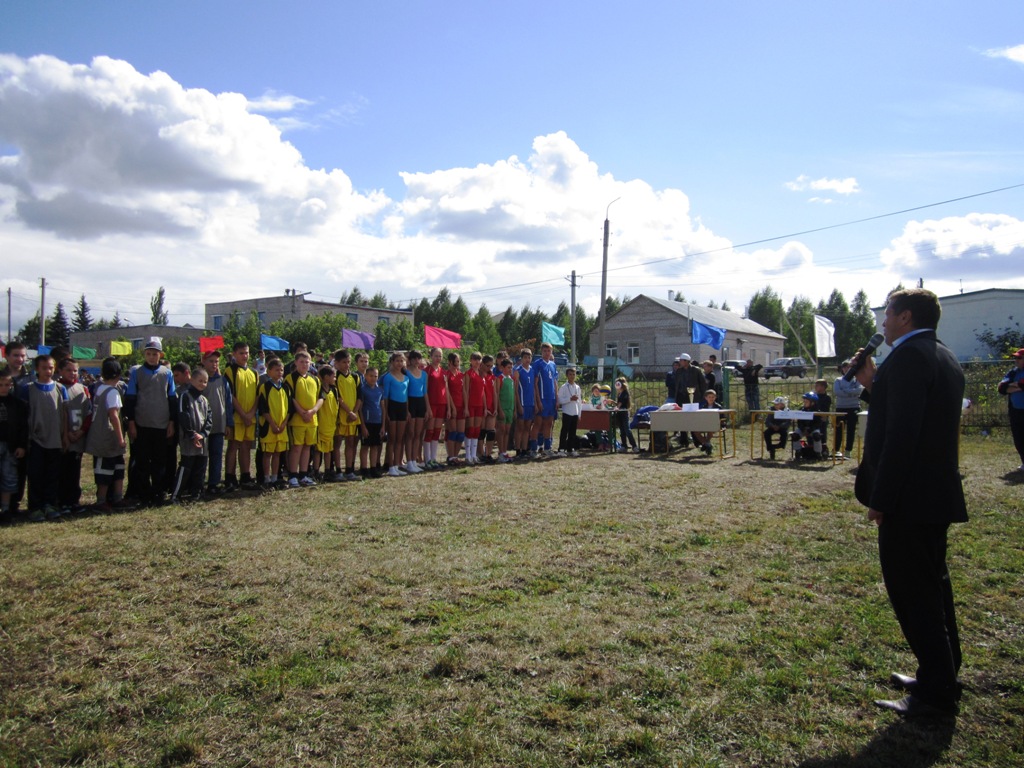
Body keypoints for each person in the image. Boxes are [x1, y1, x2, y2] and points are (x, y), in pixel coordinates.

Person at [853, 288, 967, 719]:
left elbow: (902, 436)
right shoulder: (941, 355)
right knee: (933, 587)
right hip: (933, 493)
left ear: (904, 317)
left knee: (914, 594)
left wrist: (882, 499)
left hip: (909, 499)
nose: (882, 322)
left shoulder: (908, 357)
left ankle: (936, 694)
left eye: (887, 313)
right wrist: (872, 385)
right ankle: (942, 671)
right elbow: (908, 413)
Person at [124, 337, 176, 506]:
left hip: (161, 424)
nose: (152, 357)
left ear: (160, 355)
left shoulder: (167, 373)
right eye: (149, 353)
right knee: (142, 461)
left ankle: (158, 492)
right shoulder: (136, 373)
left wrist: (171, 422)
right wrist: (131, 422)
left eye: (155, 354)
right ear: (144, 354)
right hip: (142, 424)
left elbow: (172, 399)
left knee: (160, 461)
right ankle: (143, 493)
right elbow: (130, 399)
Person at [20, 354, 68, 521]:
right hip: (36, 440)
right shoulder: (28, 389)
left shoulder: (60, 389)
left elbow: (64, 414)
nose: (48, 371)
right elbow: (24, 416)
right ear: (37, 369)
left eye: (50, 367)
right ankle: (35, 507)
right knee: (36, 475)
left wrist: (65, 436)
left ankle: (50, 504)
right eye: (44, 368)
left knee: (52, 474)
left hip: (55, 439)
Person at [84, 358, 129, 512]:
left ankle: (116, 497)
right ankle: (102, 500)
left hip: (103, 433)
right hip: (107, 435)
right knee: (105, 468)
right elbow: (113, 415)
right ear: (118, 374)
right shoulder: (112, 392)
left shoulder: (100, 388)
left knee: (117, 466)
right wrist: (121, 438)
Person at [172, 368, 212, 503]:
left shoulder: (205, 400)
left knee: (200, 467)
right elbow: (183, 415)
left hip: (202, 440)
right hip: (189, 439)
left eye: (205, 382)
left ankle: (197, 493)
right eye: (200, 381)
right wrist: (191, 434)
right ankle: (176, 494)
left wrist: (202, 434)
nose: (202, 384)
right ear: (192, 380)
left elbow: (209, 420)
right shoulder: (185, 396)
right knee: (186, 466)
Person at [57, 357, 91, 514]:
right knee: (61, 470)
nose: (72, 373)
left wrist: (81, 431)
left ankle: (73, 501)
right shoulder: (56, 388)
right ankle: (61, 501)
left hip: (78, 437)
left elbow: (89, 413)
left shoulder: (82, 389)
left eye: (75, 370)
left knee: (74, 471)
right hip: (62, 438)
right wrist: (66, 433)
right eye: (68, 370)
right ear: (60, 371)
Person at [285, 350, 323, 487]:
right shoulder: (290, 378)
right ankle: (292, 475)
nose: (304, 364)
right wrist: (301, 412)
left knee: (307, 447)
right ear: (296, 363)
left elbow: (321, 397)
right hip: (297, 420)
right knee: (296, 447)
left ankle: (304, 474)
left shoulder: (315, 379)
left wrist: (313, 411)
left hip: (312, 420)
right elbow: (291, 397)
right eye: (301, 362)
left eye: (307, 362)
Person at [224, 342, 258, 491]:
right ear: (235, 354)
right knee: (233, 446)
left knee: (246, 446)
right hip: (236, 417)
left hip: (250, 418)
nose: (245, 356)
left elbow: (257, 396)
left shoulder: (254, 372)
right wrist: (242, 414)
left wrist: (250, 414)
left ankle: (245, 476)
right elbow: (230, 394)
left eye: (247, 353)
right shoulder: (230, 371)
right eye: (241, 353)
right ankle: (230, 477)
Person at [200, 349, 232, 495]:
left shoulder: (223, 380)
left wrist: (229, 423)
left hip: (219, 424)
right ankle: (198, 483)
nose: (214, 364)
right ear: (204, 362)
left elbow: (228, 402)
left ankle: (214, 483)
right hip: (201, 426)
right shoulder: (199, 380)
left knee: (216, 455)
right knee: (201, 456)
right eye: (211, 361)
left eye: (216, 362)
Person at [382, 352, 417, 476]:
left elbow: (406, 396)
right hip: (392, 407)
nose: (399, 363)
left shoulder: (406, 378)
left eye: (401, 361)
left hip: (403, 408)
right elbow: (385, 397)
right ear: (392, 362)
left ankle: (397, 465)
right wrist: (385, 413)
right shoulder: (388, 377)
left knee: (400, 439)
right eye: (397, 361)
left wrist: (407, 411)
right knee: (392, 438)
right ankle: (390, 466)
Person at [257, 357, 290, 491]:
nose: (280, 372)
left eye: (281, 370)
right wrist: (272, 424)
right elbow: (263, 409)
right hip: (269, 427)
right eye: (276, 370)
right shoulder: (265, 387)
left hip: (282, 427)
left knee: (278, 453)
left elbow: (289, 409)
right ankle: (266, 479)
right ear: (269, 371)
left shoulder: (286, 387)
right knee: (267, 453)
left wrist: (283, 424)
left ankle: (275, 477)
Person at [0, 365, 28, 522]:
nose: (4, 388)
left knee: (9, 477)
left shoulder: (19, 404)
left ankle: (6, 508)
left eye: (7, 385)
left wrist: (21, 445)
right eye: (1, 384)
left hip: (11, 446)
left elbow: (23, 427)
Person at [332, 349, 363, 481]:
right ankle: (338, 470)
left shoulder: (355, 377)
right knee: (337, 443)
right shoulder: (335, 377)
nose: (347, 364)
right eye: (344, 362)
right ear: (337, 363)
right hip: (341, 416)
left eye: (349, 362)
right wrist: (348, 412)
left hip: (353, 417)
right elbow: (338, 397)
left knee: (351, 442)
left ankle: (349, 470)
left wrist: (354, 412)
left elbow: (360, 397)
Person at [997, 347, 1024, 471]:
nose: (1016, 360)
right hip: (1015, 410)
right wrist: (1018, 386)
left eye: (1019, 358)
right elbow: (1002, 388)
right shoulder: (1013, 372)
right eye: (1015, 358)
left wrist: (1016, 385)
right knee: (1018, 438)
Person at [673, 353, 706, 448]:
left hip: (693, 398)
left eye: (681, 360)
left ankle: (697, 440)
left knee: (692, 419)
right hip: (681, 397)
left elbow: (703, 384)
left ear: (686, 361)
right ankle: (683, 440)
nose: (679, 362)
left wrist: (700, 397)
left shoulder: (696, 370)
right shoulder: (679, 371)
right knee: (682, 418)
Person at [316, 365, 343, 481]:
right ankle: (316, 471)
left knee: (328, 449)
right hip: (321, 425)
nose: (335, 379)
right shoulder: (319, 390)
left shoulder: (334, 390)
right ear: (326, 377)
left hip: (331, 425)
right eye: (334, 376)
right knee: (318, 450)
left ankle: (327, 471)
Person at [532, 342, 559, 456]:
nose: (547, 353)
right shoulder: (537, 364)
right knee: (538, 424)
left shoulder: (552, 365)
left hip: (551, 399)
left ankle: (547, 448)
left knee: (549, 423)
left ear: (551, 352)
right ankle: (533, 449)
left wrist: (557, 399)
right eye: (545, 351)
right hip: (542, 399)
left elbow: (555, 382)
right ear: (541, 352)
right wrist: (538, 401)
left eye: (549, 351)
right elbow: (535, 384)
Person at [833, 360, 863, 459]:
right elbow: (837, 392)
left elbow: (859, 390)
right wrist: (851, 392)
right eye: (844, 367)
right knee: (839, 429)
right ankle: (836, 450)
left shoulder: (856, 379)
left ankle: (848, 451)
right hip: (841, 407)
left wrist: (845, 391)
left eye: (848, 367)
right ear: (842, 369)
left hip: (854, 407)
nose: (846, 369)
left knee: (851, 429)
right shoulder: (838, 380)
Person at [405, 350, 429, 470]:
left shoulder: (424, 374)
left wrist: (428, 408)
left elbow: (425, 392)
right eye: (414, 358)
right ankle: (409, 461)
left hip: (421, 403)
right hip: (410, 402)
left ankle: (415, 460)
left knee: (418, 434)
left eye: (418, 358)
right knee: (410, 433)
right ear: (410, 359)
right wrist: (407, 410)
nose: (416, 361)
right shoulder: (406, 372)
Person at [359, 366, 384, 479]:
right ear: (365, 376)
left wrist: (383, 425)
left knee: (375, 445)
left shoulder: (380, 390)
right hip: (367, 421)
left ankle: (373, 467)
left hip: (377, 421)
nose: (373, 378)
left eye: (376, 376)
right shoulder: (363, 389)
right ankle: (364, 468)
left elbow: (382, 407)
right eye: (371, 376)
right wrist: (363, 426)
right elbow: (360, 408)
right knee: (365, 446)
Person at [463, 351, 486, 465]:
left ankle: (474, 455)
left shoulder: (481, 374)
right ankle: (468, 456)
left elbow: (483, 393)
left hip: (479, 405)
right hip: (471, 405)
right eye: (475, 359)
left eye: (479, 359)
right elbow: (466, 390)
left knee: (477, 430)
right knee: (470, 429)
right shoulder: (468, 373)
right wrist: (466, 407)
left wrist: (485, 407)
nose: (477, 361)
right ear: (471, 361)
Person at [513, 349, 537, 458]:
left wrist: (535, 403)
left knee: (528, 428)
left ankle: (524, 449)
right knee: (520, 428)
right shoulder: (518, 371)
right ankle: (517, 449)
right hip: (522, 403)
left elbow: (534, 388)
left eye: (529, 357)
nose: (527, 360)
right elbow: (516, 389)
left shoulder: (532, 370)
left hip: (530, 403)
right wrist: (518, 405)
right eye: (525, 357)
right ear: (521, 359)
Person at [557, 366, 583, 456]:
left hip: (575, 412)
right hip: (567, 412)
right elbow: (560, 400)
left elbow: (579, 402)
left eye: (573, 374)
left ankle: (570, 448)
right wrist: (570, 399)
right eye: (570, 374)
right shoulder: (564, 387)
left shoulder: (577, 387)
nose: (572, 376)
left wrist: (579, 414)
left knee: (573, 432)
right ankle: (561, 449)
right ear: (567, 375)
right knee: (565, 431)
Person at [789, 392, 824, 459]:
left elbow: (818, 423)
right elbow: (799, 422)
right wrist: (803, 429)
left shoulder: (817, 411)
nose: (804, 402)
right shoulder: (801, 410)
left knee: (816, 436)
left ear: (813, 402)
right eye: (804, 400)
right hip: (803, 428)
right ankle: (798, 451)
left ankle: (818, 453)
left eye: (806, 401)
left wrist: (810, 430)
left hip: (813, 429)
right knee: (795, 435)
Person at [495, 358, 516, 463]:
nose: (510, 369)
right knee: (501, 430)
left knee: (507, 431)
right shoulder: (499, 379)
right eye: (508, 367)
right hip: (503, 409)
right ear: (502, 368)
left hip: (510, 409)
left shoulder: (511, 380)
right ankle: (500, 452)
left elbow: (513, 395)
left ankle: (504, 451)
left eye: (511, 368)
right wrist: (500, 410)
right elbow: (497, 395)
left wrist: (514, 409)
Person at [612, 377, 639, 453]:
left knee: (627, 430)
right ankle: (624, 445)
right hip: (619, 413)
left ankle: (634, 446)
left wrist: (617, 407)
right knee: (622, 430)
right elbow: (618, 403)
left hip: (624, 413)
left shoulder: (625, 393)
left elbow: (621, 403)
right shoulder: (619, 393)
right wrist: (612, 402)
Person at [695, 387, 725, 456]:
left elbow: (722, 417)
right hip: (705, 424)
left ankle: (706, 445)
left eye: (713, 397)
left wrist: (721, 423)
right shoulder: (703, 406)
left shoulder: (718, 406)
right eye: (709, 397)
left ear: (715, 397)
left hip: (716, 424)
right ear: (706, 398)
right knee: (695, 430)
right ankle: (706, 444)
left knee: (710, 428)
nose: (711, 398)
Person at [762, 396, 790, 460]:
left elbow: (788, 422)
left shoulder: (787, 411)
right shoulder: (771, 410)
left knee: (785, 434)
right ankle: (770, 449)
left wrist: (780, 426)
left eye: (777, 404)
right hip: (773, 427)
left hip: (783, 428)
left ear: (782, 405)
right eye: (775, 404)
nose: (775, 405)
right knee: (766, 433)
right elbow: (767, 421)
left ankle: (776, 447)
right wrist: (772, 426)